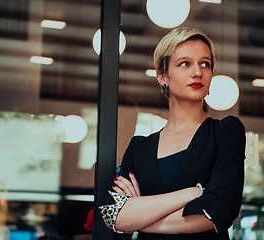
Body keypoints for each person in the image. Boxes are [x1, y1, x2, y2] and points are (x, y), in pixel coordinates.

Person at [99, 27, 246, 240]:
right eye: (184, 63)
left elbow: (219, 212)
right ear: (162, 77)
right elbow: (115, 216)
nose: (197, 72)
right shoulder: (139, 147)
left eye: (205, 64)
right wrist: (193, 194)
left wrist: (140, 216)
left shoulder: (226, 132)